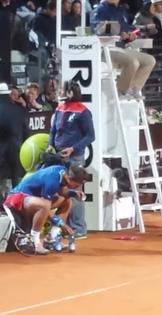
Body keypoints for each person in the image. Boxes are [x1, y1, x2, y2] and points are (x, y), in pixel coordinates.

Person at [4, 164, 89, 254]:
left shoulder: (63, 172)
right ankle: (34, 242)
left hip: (33, 199)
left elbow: (62, 192)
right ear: (70, 179)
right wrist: (61, 223)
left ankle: (51, 239)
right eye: (76, 186)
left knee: (67, 201)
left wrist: (74, 193)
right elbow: (46, 208)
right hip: (16, 199)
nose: (77, 187)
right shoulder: (52, 180)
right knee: (44, 206)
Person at [47, 80, 95, 239]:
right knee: (61, 191)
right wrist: (50, 145)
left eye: (62, 89)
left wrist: (73, 148)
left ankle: (79, 228)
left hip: (74, 156)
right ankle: (64, 227)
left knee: (75, 192)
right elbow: (53, 131)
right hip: (58, 155)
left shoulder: (83, 111)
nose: (59, 91)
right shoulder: (59, 108)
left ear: (69, 93)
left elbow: (90, 136)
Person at [90, 0, 156, 100]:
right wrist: (119, 33)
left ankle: (134, 89)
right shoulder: (99, 10)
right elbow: (96, 30)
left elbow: (127, 29)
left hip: (122, 48)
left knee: (150, 60)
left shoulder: (121, 10)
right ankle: (121, 91)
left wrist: (130, 35)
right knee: (132, 62)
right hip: (106, 48)